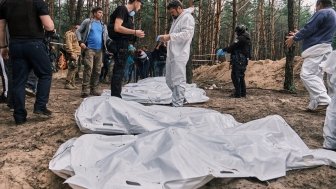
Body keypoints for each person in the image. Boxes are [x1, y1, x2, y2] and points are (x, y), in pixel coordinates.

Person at [0, 0, 55, 124]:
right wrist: (52, 25)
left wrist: (3, 47)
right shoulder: (37, 2)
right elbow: (48, 26)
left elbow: (1, 28)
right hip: (34, 43)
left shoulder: (5, 4)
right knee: (45, 73)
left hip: (15, 45)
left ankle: (19, 116)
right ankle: (40, 107)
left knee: (18, 81)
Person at [285, 0, 336, 111]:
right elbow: (316, 31)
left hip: (317, 50)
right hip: (323, 48)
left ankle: (323, 100)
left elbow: (309, 28)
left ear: (320, 4)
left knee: (307, 75)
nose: (316, 9)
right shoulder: (332, 13)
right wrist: (299, 33)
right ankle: (315, 104)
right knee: (316, 77)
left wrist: (294, 38)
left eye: (316, 6)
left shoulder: (322, 12)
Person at [158, 0, 195, 107]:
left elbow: (187, 34)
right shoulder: (177, 19)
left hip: (180, 53)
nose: (171, 14)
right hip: (172, 53)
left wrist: (170, 37)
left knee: (178, 79)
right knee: (169, 80)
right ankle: (180, 98)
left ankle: (178, 103)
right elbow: (176, 33)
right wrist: (167, 41)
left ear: (179, 8)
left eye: (172, 12)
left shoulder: (187, 18)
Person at [108, 0, 145, 98]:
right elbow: (117, 27)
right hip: (119, 44)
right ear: (136, 2)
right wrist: (134, 32)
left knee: (120, 70)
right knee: (119, 70)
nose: (140, 7)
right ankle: (115, 96)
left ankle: (116, 94)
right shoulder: (122, 9)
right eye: (140, 4)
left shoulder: (129, 15)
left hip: (124, 45)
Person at [76, 7, 110, 98]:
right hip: (89, 49)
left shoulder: (103, 25)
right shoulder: (88, 22)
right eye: (99, 12)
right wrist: (81, 42)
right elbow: (78, 31)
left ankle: (94, 89)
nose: (101, 14)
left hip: (100, 51)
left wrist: (110, 46)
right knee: (88, 68)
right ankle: (85, 90)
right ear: (94, 13)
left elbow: (106, 38)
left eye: (102, 13)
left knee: (97, 70)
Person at [222, 24, 251, 98]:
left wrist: (223, 50)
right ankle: (243, 93)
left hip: (239, 59)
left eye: (237, 31)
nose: (236, 33)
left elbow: (232, 47)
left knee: (235, 76)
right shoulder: (247, 38)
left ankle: (238, 93)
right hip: (243, 59)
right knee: (241, 76)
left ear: (240, 31)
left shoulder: (240, 38)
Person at [64, 25, 81, 90]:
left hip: (76, 53)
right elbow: (69, 44)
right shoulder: (70, 34)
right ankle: (67, 83)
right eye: (78, 29)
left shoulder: (76, 34)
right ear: (74, 28)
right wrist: (71, 53)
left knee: (74, 68)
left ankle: (72, 83)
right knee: (72, 68)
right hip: (73, 53)